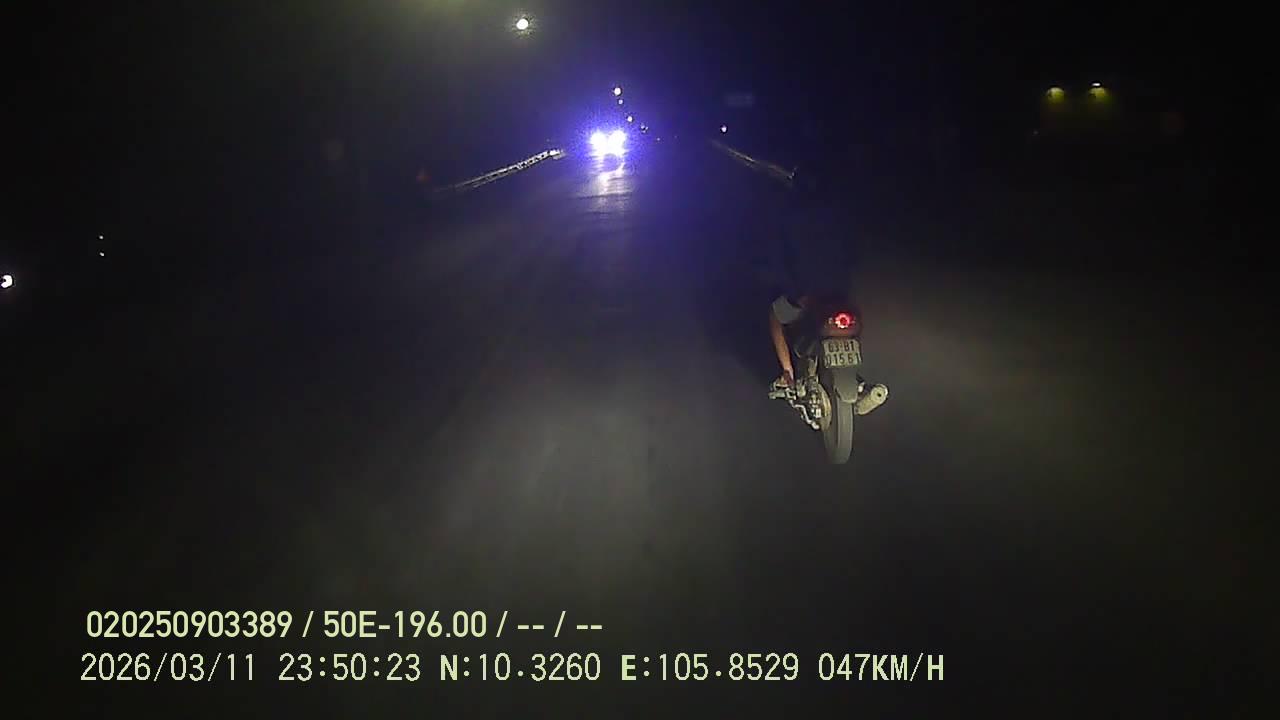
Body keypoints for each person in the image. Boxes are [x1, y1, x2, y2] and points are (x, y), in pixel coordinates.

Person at [767, 154, 889, 417]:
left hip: (808, 294)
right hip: (839, 294)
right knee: (850, 323)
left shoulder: (791, 218)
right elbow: (854, 253)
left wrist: (792, 287)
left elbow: (781, 260)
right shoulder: (840, 216)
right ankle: (856, 382)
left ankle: (787, 375)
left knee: (776, 317)